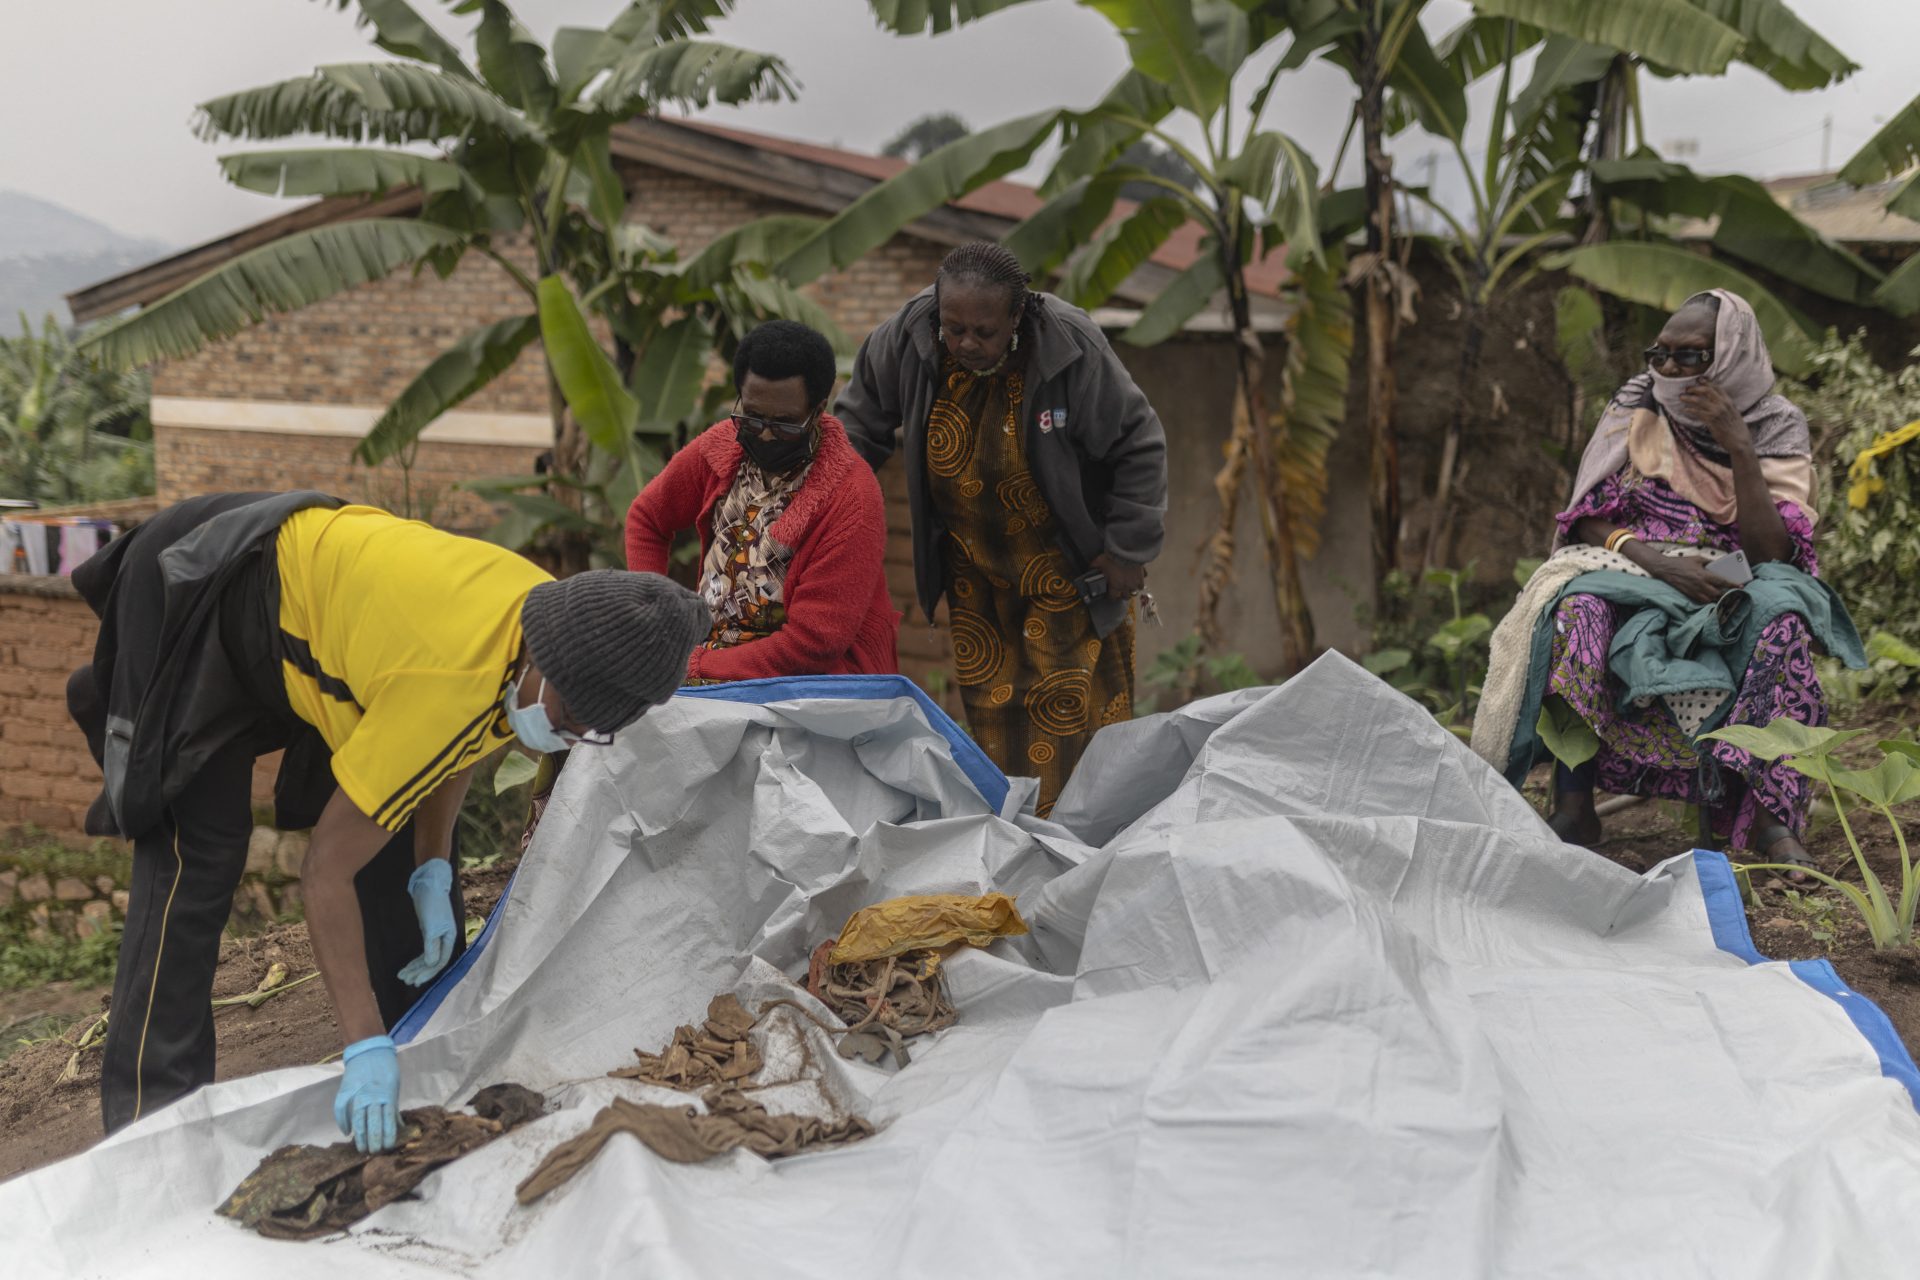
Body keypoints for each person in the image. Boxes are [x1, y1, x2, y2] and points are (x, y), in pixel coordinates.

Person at [67, 493, 709, 1152]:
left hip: (336, 638)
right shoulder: (448, 675)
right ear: (546, 661)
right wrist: (362, 1047)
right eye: (572, 719)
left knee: (399, 854)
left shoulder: (549, 624)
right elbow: (324, 873)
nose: (568, 736)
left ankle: (425, 1059)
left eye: (589, 731)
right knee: (198, 857)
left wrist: (431, 868)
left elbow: (460, 740)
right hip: (203, 587)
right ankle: (149, 1133)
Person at [1480, 290, 1851, 870]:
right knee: (1575, 609)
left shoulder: (1776, 423)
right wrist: (1656, 562)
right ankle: (1576, 803)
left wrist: (1737, 444)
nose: (1671, 371)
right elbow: (1587, 512)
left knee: (1779, 617)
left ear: (1732, 355)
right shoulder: (1637, 405)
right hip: (1639, 561)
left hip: (1733, 572)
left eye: (1692, 357)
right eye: (1661, 355)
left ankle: (1771, 819)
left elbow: (1774, 548)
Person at [836, 242, 1167, 815]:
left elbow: (1138, 443)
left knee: (1067, 714)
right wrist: (831, 513)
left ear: (1018, 316)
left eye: (984, 331)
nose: (965, 343)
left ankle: (1074, 854)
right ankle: (1011, 851)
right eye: (954, 328)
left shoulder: (1070, 347)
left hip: (1068, 570)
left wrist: (1126, 550)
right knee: (993, 717)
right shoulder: (910, 338)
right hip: (976, 571)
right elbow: (856, 425)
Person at [625, 319, 898, 680]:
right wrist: (655, 622)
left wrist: (696, 666)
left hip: (807, 687)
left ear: (818, 410)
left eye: (785, 424)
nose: (766, 436)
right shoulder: (723, 445)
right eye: (752, 418)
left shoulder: (851, 498)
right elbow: (647, 517)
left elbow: (812, 645)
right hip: (709, 666)